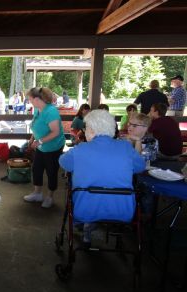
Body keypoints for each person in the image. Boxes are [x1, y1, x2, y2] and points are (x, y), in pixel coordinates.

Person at [59, 109, 145, 244]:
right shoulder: (125, 147)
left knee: (72, 188)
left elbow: (63, 163)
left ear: (92, 130)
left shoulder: (80, 149)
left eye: (86, 128)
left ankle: (84, 227)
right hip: (122, 210)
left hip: (85, 209)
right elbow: (140, 167)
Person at [23, 87, 65, 208]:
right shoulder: (37, 109)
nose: (29, 101)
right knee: (36, 169)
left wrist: (39, 141)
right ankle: (37, 194)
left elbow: (55, 132)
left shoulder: (51, 111)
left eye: (30, 99)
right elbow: (36, 125)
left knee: (51, 172)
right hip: (41, 147)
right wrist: (32, 139)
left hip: (53, 148)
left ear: (37, 99)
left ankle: (50, 197)